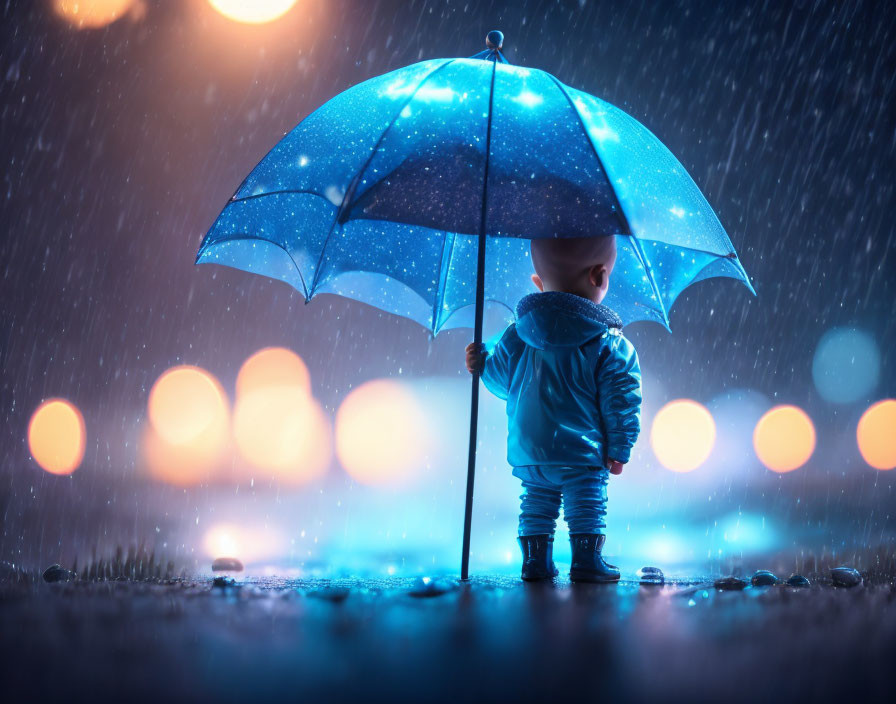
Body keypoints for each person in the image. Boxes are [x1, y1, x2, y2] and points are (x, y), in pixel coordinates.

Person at [465, 235, 642, 582]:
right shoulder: (611, 343)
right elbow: (621, 399)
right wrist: (620, 448)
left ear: (538, 283)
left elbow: (501, 380)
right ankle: (586, 561)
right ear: (599, 277)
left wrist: (481, 361)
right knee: (587, 504)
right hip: (582, 452)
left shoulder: (516, 335)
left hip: (531, 449)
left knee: (535, 503)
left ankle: (535, 562)